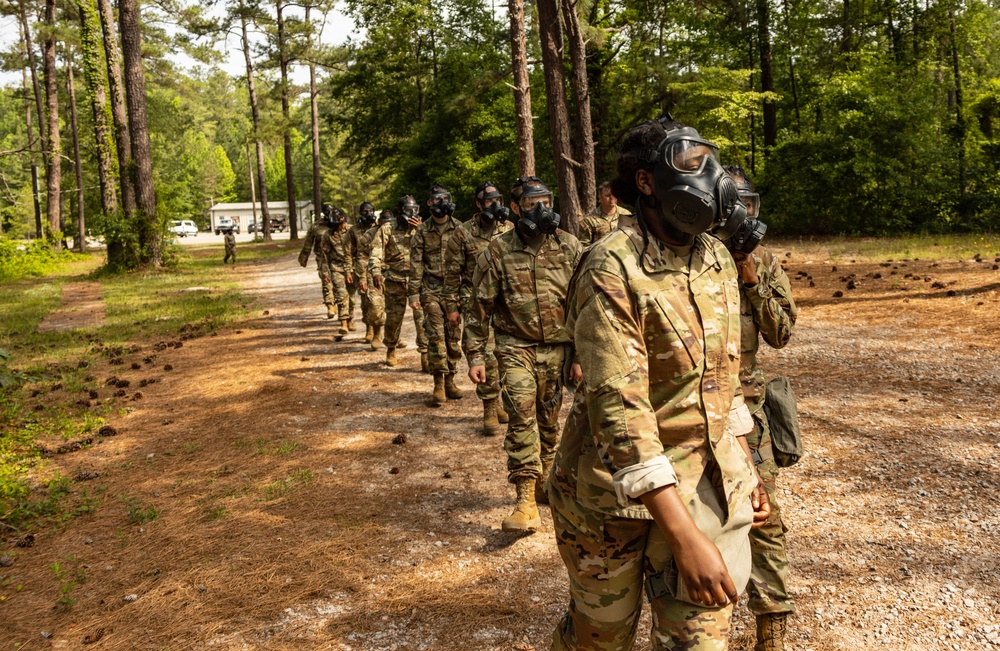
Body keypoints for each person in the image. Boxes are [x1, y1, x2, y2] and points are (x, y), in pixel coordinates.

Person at [547, 116, 770, 650]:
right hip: (608, 503)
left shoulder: (715, 256)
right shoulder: (610, 266)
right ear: (646, 182)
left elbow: (725, 378)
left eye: (710, 160)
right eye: (693, 163)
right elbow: (618, 410)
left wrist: (744, 466)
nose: (710, 175)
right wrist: (684, 537)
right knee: (601, 638)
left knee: (702, 639)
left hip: (702, 485)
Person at [465, 176, 582, 532]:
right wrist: (475, 356)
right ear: (515, 209)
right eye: (532, 204)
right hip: (515, 347)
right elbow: (479, 307)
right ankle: (525, 500)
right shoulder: (498, 251)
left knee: (550, 422)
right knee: (521, 415)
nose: (542, 210)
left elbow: (583, 304)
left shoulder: (570, 247)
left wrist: (579, 354)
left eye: (545, 201)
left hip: (559, 349)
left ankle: (547, 482)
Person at [722, 165, 798, 651]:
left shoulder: (764, 262)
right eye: (736, 206)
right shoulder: (689, 255)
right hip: (690, 405)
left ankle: (771, 624)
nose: (743, 216)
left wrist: (752, 279)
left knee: (763, 515)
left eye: (750, 206)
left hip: (746, 409)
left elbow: (781, 334)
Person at [444, 181, 514, 436]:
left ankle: (500, 401)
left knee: (505, 354)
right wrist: (451, 307)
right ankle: (488, 405)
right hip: (475, 302)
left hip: (505, 301)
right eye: (488, 202)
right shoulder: (463, 233)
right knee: (484, 353)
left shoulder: (509, 228)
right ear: (478, 204)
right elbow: (451, 274)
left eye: (498, 200)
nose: (495, 206)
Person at [409, 184, 464, 406]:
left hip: (454, 292)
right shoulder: (422, 232)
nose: (440, 204)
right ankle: (438, 382)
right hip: (431, 289)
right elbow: (415, 265)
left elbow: (469, 262)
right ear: (429, 205)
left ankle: (451, 379)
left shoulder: (460, 228)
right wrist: (413, 294)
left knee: (453, 337)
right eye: (435, 200)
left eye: (444, 199)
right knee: (436, 336)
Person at [370, 196, 429, 369]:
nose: (412, 213)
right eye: (407, 210)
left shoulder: (423, 228)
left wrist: (420, 231)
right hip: (395, 280)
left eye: (415, 209)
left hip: (417, 282)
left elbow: (432, 250)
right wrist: (376, 272)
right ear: (399, 211)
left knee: (422, 320)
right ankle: (391, 348)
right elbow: (376, 251)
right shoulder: (387, 229)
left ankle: (425, 355)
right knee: (394, 319)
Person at [298, 204, 341, 319]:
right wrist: (304, 258)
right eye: (327, 211)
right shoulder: (316, 226)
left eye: (331, 210)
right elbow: (308, 242)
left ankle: (338, 302)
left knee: (338, 281)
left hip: (338, 258)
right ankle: (330, 305)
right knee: (326, 280)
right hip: (323, 257)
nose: (329, 213)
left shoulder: (339, 224)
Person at [348, 202, 382, 346]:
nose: (368, 213)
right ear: (360, 213)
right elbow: (349, 252)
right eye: (364, 211)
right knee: (366, 302)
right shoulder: (354, 230)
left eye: (370, 211)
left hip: (379, 270)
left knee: (378, 303)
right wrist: (349, 270)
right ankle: (369, 329)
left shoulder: (380, 227)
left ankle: (378, 332)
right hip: (362, 269)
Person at [318, 206, 354, 340]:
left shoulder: (352, 230)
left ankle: (350, 318)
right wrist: (325, 274)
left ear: (342, 219)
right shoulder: (327, 235)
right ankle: (343, 322)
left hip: (352, 268)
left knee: (351, 297)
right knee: (341, 294)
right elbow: (324, 256)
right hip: (336, 267)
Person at [577, 181, 632, 247]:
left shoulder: (626, 215)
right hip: (600, 255)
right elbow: (584, 246)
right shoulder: (589, 220)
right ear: (600, 197)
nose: (612, 198)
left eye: (614, 194)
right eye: (608, 195)